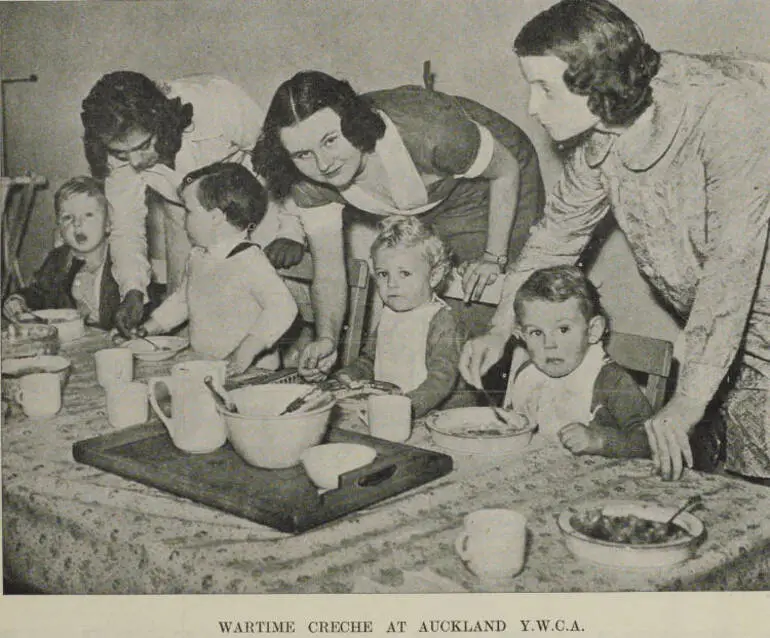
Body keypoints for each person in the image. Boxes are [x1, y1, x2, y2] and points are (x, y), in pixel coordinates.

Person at [460, 0, 770, 482]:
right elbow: (552, 240)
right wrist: (502, 326)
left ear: (595, 82)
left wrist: (687, 399)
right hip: (743, 347)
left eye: (543, 87)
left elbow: (730, 271)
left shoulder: (728, 111)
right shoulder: (604, 137)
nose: (531, 107)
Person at [252, 71, 545, 380]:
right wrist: (327, 338)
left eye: (330, 141)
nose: (323, 164)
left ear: (351, 121)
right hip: (434, 193)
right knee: (422, 296)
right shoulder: (309, 181)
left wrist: (493, 258)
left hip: (497, 179)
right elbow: (328, 271)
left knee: (486, 303)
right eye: (303, 154)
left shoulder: (430, 131)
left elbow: (506, 170)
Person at [81, 71, 286, 337]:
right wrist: (133, 289)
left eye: (143, 145)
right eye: (121, 153)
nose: (134, 162)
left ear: (160, 121)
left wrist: (290, 229)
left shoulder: (217, 103)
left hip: (259, 202)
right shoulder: (119, 156)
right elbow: (126, 227)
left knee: (255, 307)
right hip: (184, 212)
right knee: (184, 312)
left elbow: (279, 161)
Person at [141, 163, 297, 375]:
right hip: (209, 367)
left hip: (252, 373)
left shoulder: (248, 261)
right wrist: (149, 327)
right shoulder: (198, 256)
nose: (183, 218)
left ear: (215, 217)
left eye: (188, 210)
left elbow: (283, 307)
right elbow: (183, 300)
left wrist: (245, 352)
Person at [334, 216, 475, 418]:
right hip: (393, 411)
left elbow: (441, 380)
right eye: (383, 274)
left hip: (440, 417)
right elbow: (370, 360)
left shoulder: (443, 321)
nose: (392, 284)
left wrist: (406, 408)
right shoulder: (389, 314)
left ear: (434, 276)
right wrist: (351, 373)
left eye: (405, 274)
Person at [508, 266, 652, 457]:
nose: (549, 344)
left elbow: (648, 441)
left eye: (563, 330)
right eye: (536, 332)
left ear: (593, 330)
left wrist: (600, 441)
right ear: (521, 334)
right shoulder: (527, 373)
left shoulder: (612, 380)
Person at [2, 176, 128, 330]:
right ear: (60, 230)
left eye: (88, 215)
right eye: (67, 217)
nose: (77, 224)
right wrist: (18, 300)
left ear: (108, 223)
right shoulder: (58, 259)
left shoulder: (122, 260)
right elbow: (38, 293)